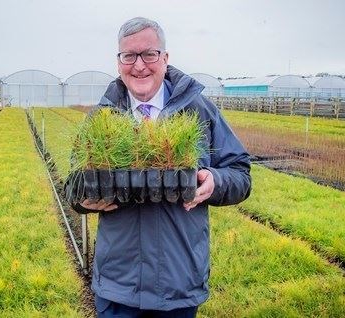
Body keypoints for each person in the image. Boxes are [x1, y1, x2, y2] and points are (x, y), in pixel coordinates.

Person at [71, 17, 251, 317]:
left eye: (149, 54)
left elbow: (241, 173)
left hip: (178, 285)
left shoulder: (199, 111)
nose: (139, 65)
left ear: (165, 59)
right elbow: (73, 185)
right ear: (118, 63)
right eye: (129, 56)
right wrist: (83, 199)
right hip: (119, 287)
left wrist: (215, 181)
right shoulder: (101, 118)